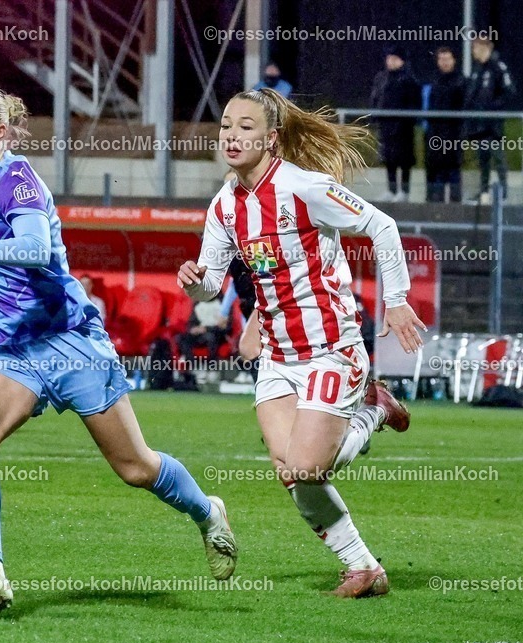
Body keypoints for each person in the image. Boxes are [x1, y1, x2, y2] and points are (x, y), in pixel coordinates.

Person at [0, 83, 237, 612]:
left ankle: (207, 512)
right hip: (12, 349)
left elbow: (35, 250)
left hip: (69, 341)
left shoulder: (19, 181)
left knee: (135, 468)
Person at [178, 87, 425, 598]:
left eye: (246, 127)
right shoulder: (224, 206)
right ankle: (363, 569)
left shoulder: (303, 187)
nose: (231, 135)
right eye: (226, 125)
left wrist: (396, 300)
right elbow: (211, 284)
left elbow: (382, 226)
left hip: (331, 347)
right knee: (292, 471)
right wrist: (195, 281)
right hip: (278, 356)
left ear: (271, 139)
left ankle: (372, 408)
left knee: (310, 464)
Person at [464, 37, 516, 203]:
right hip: (478, 124)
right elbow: (472, 95)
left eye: (475, 48)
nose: (473, 52)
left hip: (492, 124)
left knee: (497, 157)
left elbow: (510, 92)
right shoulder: (477, 69)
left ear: (484, 48)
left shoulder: (498, 67)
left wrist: (491, 109)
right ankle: (484, 192)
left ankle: (503, 194)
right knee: (483, 158)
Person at [370, 46, 422, 202]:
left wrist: (409, 120)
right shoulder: (381, 78)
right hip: (385, 125)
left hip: (403, 127)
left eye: (394, 58)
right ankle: (391, 190)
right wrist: (374, 116)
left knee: (404, 159)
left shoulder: (409, 79)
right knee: (388, 158)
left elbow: (415, 103)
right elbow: (375, 98)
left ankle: (404, 191)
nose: (391, 61)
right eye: (389, 58)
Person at [425, 47, 466, 203]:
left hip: (453, 134)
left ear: (454, 60)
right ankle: (436, 207)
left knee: (453, 171)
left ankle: (456, 207)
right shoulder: (434, 80)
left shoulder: (461, 81)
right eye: (441, 59)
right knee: (437, 172)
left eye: (447, 59)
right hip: (435, 134)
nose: (445, 63)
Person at [176, 294, 230, 365]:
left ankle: (211, 366)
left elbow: (226, 327)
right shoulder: (197, 304)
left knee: (210, 337)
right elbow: (192, 322)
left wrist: (207, 329)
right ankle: (193, 365)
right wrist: (193, 328)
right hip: (200, 333)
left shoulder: (223, 303)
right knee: (180, 338)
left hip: (216, 333)